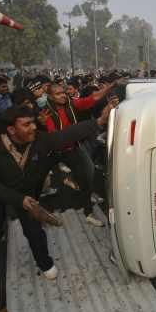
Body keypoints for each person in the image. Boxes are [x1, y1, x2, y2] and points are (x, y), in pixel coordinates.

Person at [0, 99, 118, 279]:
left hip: (28, 197)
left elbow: (66, 135)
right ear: (11, 129)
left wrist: (98, 122)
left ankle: (45, 263)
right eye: (27, 124)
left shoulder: (39, 140)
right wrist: (19, 200)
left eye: (33, 122)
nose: (34, 127)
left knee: (35, 233)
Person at [43, 81, 115, 226]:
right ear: (50, 97)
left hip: (72, 149)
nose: (63, 95)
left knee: (88, 172)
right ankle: (39, 213)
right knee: (38, 181)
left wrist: (111, 86)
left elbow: (91, 99)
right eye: (58, 94)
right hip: (52, 152)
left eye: (63, 92)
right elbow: (56, 138)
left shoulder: (71, 104)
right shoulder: (45, 114)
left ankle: (88, 212)